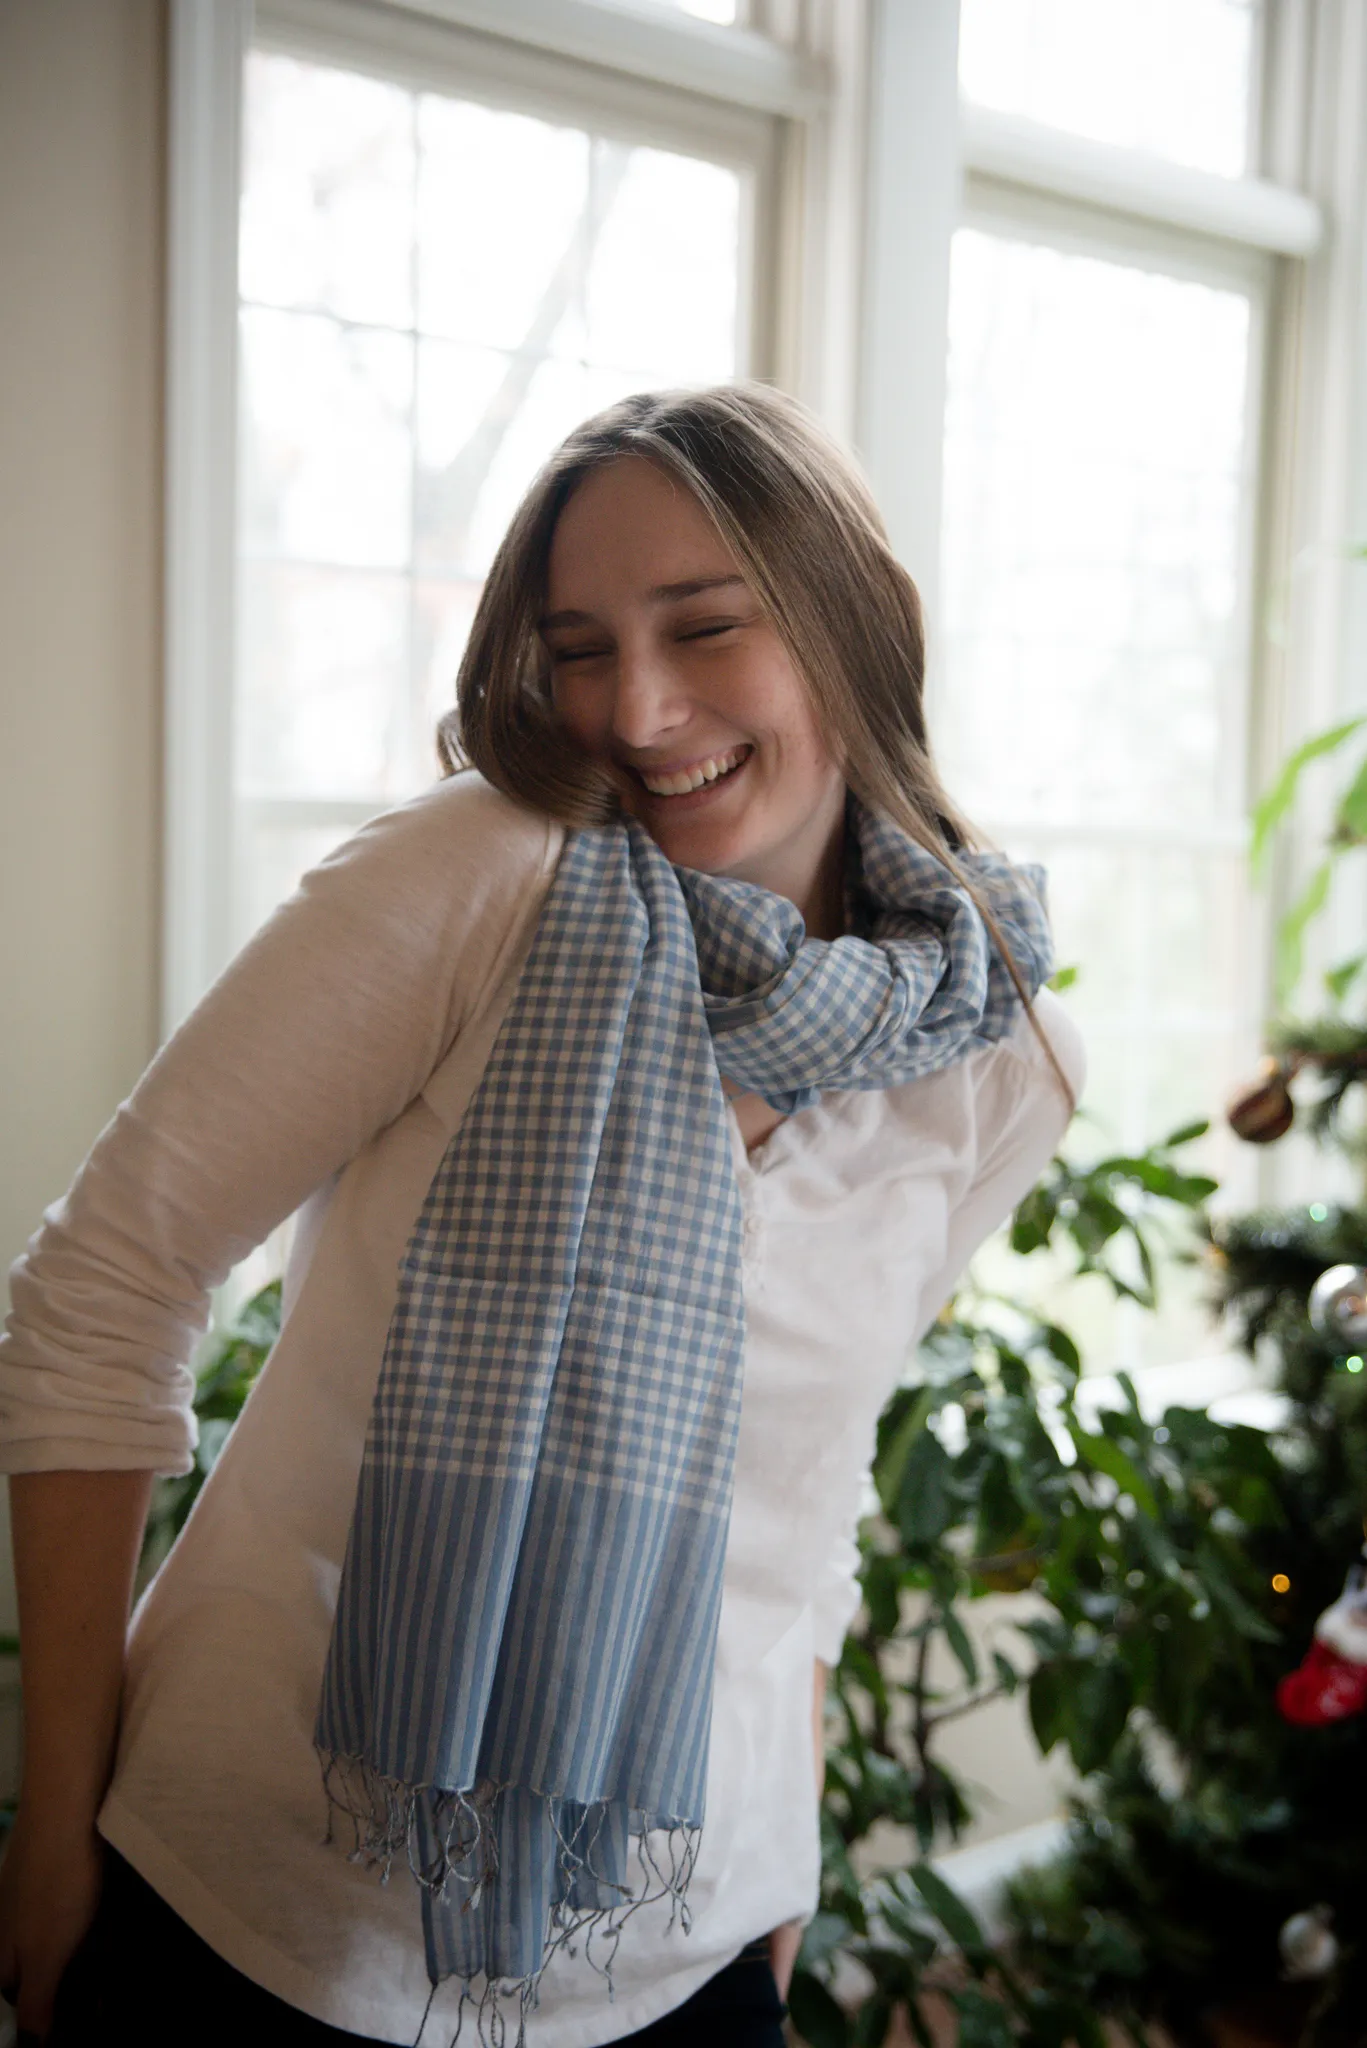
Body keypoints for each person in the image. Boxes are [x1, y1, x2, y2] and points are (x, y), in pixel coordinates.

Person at [0, 383, 1082, 2047]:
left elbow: (808, 1483)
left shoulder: (993, 1040)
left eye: (704, 627)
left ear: (857, 623)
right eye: (579, 647)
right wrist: (50, 1826)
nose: (637, 711)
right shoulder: (481, 874)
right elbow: (105, 1287)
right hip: (255, 1916)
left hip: (684, 1944)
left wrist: (776, 1876)